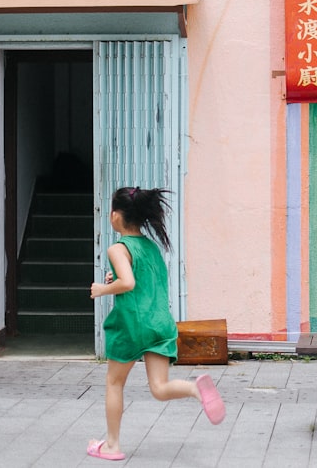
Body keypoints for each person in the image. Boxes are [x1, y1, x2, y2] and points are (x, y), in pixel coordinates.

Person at [87, 186, 225, 462]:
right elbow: (141, 282)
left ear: (115, 216)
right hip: (160, 323)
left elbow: (129, 282)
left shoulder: (118, 248)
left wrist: (102, 289)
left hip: (133, 325)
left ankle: (112, 446)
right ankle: (195, 389)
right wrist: (118, 282)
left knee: (114, 383)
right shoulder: (150, 247)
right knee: (159, 388)